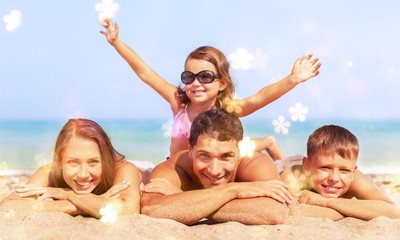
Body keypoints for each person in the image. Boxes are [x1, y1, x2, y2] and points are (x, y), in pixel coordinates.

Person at [99, 18, 321, 160]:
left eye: (205, 77)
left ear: (222, 82)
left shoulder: (226, 108)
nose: (196, 83)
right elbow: (145, 73)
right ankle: (265, 142)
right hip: (181, 167)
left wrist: (293, 79)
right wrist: (116, 42)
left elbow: (259, 98)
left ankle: (267, 143)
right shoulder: (178, 102)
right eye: (189, 76)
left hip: (213, 168)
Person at [140, 109, 293, 225]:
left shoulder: (255, 164)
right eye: (204, 156)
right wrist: (234, 190)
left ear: (240, 152)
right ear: (191, 151)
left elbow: (275, 212)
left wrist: (183, 199)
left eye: (226, 156)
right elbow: (151, 207)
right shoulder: (174, 169)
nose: (214, 170)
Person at [0, 118, 143, 218]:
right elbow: (7, 205)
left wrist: (70, 195)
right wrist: (94, 201)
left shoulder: (123, 170)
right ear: (59, 161)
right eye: (73, 162)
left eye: (93, 162)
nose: (83, 174)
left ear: (105, 160)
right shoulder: (49, 172)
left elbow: (128, 210)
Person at [280, 124, 400, 220]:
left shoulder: (354, 177)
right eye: (325, 168)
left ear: (353, 171)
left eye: (344, 170)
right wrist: (355, 209)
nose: (334, 178)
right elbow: (293, 211)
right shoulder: (293, 177)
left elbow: (391, 210)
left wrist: (326, 202)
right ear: (306, 165)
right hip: (285, 164)